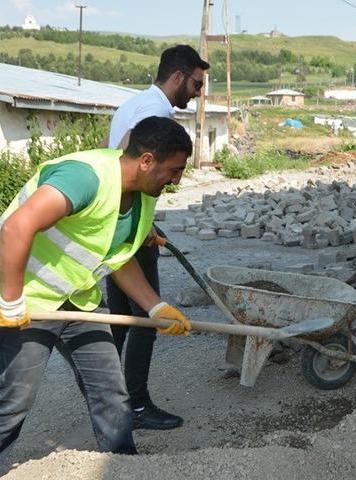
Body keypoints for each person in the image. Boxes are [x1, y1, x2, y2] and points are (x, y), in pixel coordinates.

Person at [0, 117, 194, 479]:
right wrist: (10, 300)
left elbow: (118, 260)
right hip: (25, 298)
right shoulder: (85, 178)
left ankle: (123, 466)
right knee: (14, 397)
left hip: (78, 301)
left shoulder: (143, 195)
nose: (177, 180)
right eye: (175, 170)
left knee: (109, 389)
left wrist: (155, 306)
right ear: (147, 160)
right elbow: (17, 226)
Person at [101, 44, 208, 430]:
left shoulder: (132, 103)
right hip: (128, 229)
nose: (197, 93)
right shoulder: (155, 113)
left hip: (124, 222)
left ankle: (106, 395)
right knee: (147, 316)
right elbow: (134, 167)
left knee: (120, 317)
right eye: (196, 84)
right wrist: (140, 225)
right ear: (177, 77)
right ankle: (136, 405)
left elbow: (113, 156)